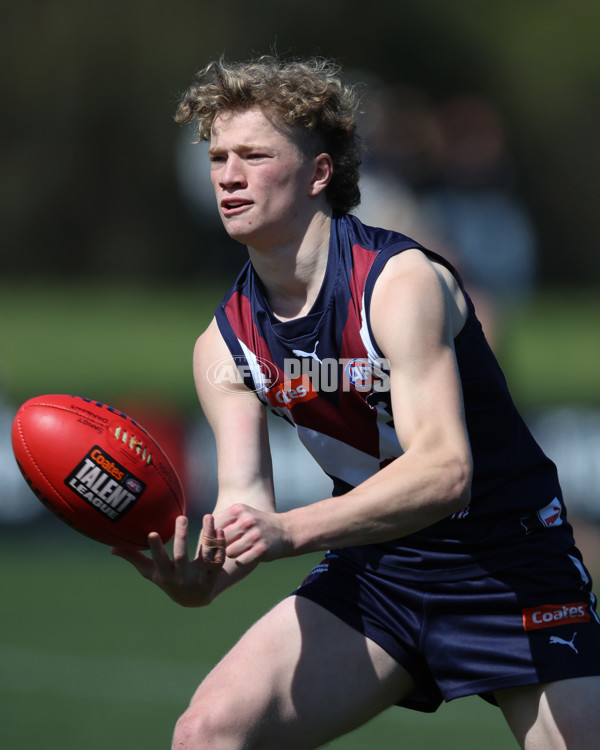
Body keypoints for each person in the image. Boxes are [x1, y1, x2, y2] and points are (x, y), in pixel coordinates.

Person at [111, 56, 600, 749]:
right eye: (219, 156)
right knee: (207, 735)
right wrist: (206, 575)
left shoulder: (400, 283)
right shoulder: (223, 347)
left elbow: (443, 472)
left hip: (510, 565)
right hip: (380, 571)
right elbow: (246, 503)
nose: (228, 175)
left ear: (318, 173)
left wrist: (292, 531)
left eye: (254, 154)